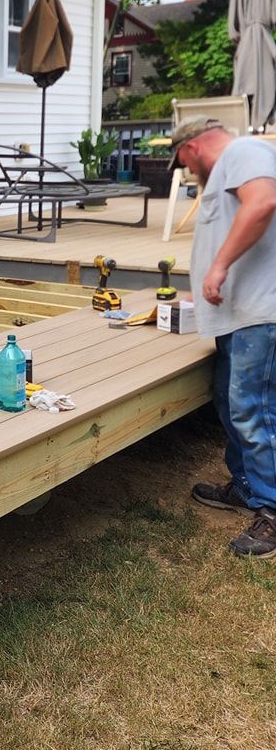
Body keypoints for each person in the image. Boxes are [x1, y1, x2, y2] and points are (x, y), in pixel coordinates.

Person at [168, 115, 276, 558]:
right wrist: (207, 275)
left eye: (183, 163)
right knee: (231, 403)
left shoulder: (243, 153)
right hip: (237, 315)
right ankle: (248, 489)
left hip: (258, 314)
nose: (189, 172)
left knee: (255, 410)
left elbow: (263, 203)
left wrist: (218, 266)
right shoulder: (234, 164)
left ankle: (271, 512)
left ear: (191, 147)